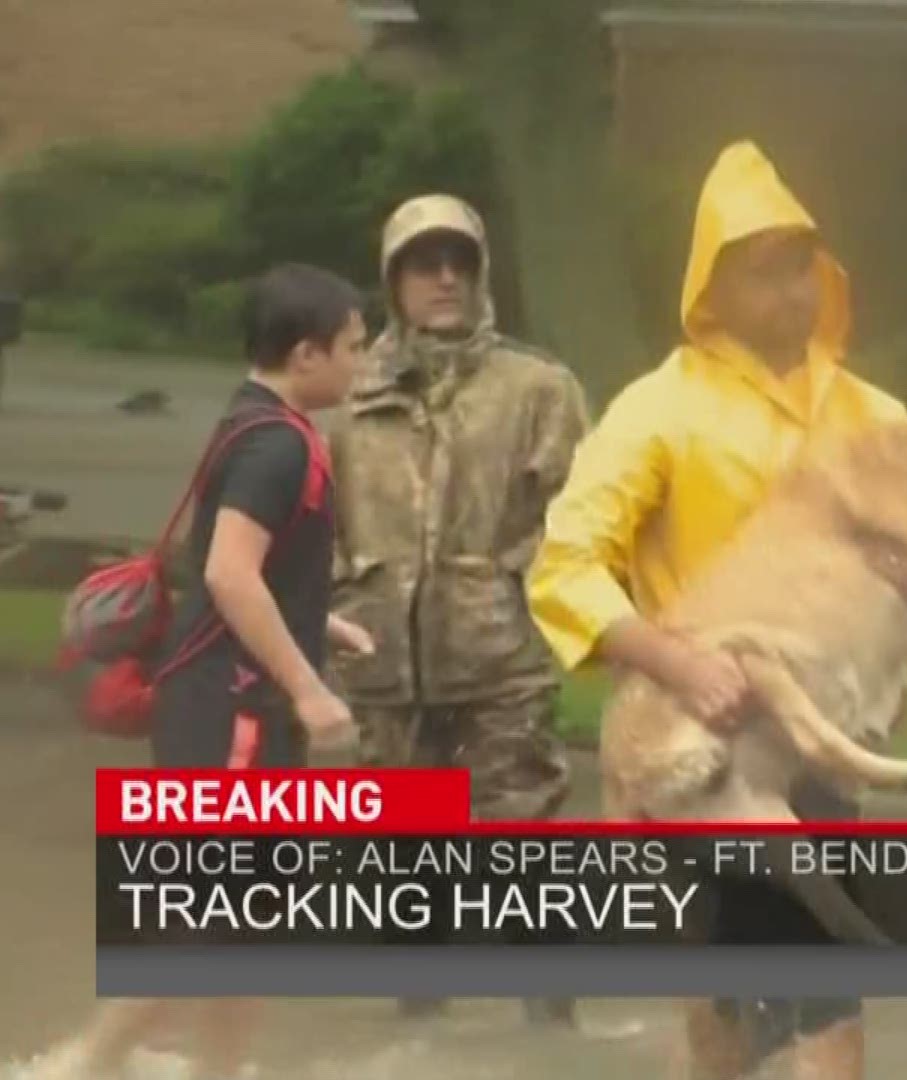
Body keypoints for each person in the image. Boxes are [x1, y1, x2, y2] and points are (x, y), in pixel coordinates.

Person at [527, 141, 907, 1080]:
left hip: (819, 753)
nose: (791, 294)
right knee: (724, 1021)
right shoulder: (656, 413)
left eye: (801, 268)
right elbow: (565, 566)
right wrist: (682, 666)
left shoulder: (874, 416)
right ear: (712, 290)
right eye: (764, 274)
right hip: (697, 751)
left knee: (826, 1003)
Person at [35, 263, 372, 1080]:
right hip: (237, 710)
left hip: (229, 698)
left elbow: (237, 565)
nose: (364, 363)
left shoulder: (252, 422)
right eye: (355, 347)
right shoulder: (276, 447)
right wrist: (310, 687)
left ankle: (217, 1070)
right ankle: (87, 1061)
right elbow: (227, 572)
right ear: (306, 354)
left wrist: (315, 619)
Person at [325, 194, 592, 1026]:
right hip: (380, 665)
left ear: (479, 273)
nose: (443, 279)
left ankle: (553, 1035)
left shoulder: (537, 387)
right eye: (422, 263)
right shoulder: (349, 396)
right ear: (393, 280)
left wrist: (518, 592)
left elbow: (583, 519)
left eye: (458, 262)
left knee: (526, 847)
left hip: (502, 662)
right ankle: (420, 1032)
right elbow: (309, 523)